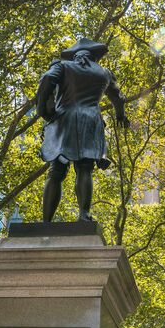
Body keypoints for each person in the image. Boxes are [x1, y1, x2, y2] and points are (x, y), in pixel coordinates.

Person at [36, 37, 128, 222]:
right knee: (85, 168)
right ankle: (84, 214)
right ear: (94, 56)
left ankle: (46, 221)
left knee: (57, 169)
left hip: (64, 120)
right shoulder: (105, 73)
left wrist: (41, 108)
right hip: (91, 121)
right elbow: (117, 97)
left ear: (75, 55)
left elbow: (46, 78)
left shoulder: (63, 67)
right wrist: (120, 115)